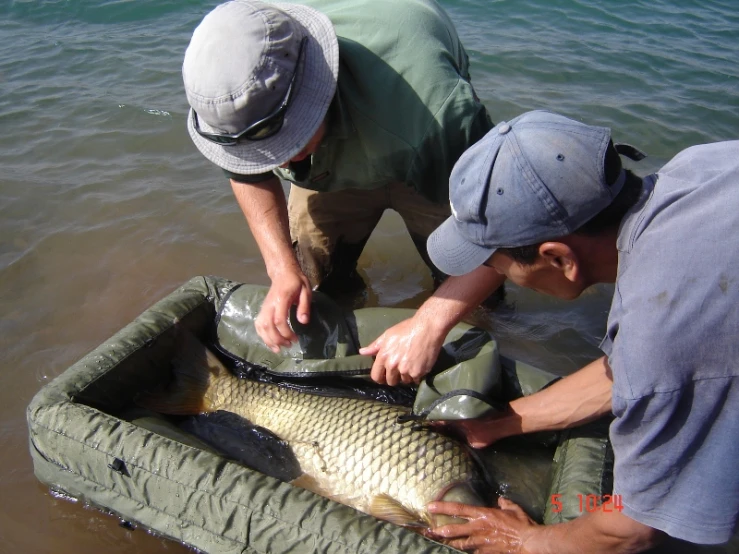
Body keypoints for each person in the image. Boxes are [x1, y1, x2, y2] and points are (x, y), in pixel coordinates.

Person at [420, 110, 738, 552]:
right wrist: (499, 424)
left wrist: (527, 539)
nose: (497, 275)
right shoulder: (699, 167)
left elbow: (632, 529)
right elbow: (626, 372)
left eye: (494, 264)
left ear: (558, 258)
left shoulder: (661, 332)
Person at [183, 0, 501, 364]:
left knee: (476, 293)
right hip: (333, 159)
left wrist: (429, 323)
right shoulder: (236, 84)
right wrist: (280, 268)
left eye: (287, 142)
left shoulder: (438, 113)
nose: (278, 163)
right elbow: (245, 172)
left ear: (318, 89)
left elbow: (504, 234)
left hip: (418, 140)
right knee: (312, 282)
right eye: (259, 151)